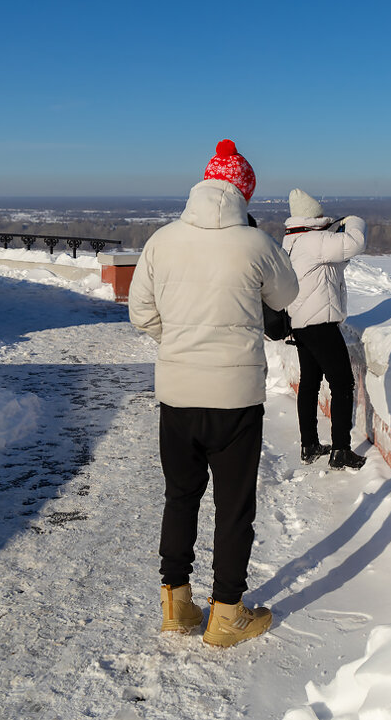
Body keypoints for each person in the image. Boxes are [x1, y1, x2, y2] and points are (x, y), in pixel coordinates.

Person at [128, 140, 298, 647]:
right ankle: (227, 613)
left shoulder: (162, 241)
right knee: (234, 505)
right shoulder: (256, 244)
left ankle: (177, 605)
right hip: (236, 398)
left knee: (180, 497)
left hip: (177, 395)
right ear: (244, 192)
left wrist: (180, 344)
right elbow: (286, 297)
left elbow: (141, 313)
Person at [282, 188, 368, 470]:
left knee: (309, 383)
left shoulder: (293, 241)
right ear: (312, 215)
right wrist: (354, 221)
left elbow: (333, 263)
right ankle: (341, 450)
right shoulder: (314, 239)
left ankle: (309, 445)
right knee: (342, 383)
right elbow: (355, 243)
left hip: (300, 322)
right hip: (319, 323)